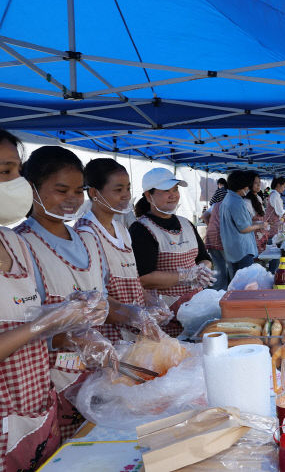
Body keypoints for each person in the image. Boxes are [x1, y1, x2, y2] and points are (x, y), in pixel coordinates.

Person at [0, 132, 113, 468]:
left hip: (36, 405)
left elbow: (31, 314)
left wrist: (73, 320)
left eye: (14, 172)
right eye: (4, 172)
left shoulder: (11, 243)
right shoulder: (28, 240)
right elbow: (36, 325)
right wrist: (43, 325)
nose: (14, 182)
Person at [16, 146, 138, 441]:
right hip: (53, 381)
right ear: (31, 189)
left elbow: (102, 301)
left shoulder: (87, 239)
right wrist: (73, 339)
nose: (72, 199)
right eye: (61, 190)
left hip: (98, 374)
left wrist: (134, 314)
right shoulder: (21, 245)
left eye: (78, 190)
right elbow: (22, 328)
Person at [76, 158, 172, 336]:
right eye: (118, 190)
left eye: (128, 188)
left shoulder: (121, 230)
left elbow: (133, 279)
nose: (126, 195)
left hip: (134, 332)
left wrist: (151, 301)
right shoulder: (85, 234)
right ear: (94, 193)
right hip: (109, 334)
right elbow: (93, 296)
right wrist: (133, 314)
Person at [130, 167, 214, 336]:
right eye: (166, 191)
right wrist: (185, 276)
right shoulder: (141, 229)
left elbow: (204, 257)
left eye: (175, 189)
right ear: (148, 196)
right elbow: (144, 278)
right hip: (165, 313)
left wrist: (203, 269)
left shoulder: (186, 224)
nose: (173, 195)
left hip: (196, 308)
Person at [219, 170, 267, 275]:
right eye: (247, 185)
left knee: (237, 282)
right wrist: (260, 225)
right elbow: (244, 228)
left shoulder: (227, 198)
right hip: (242, 250)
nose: (247, 188)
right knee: (246, 283)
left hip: (232, 248)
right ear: (242, 186)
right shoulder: (237, 202)